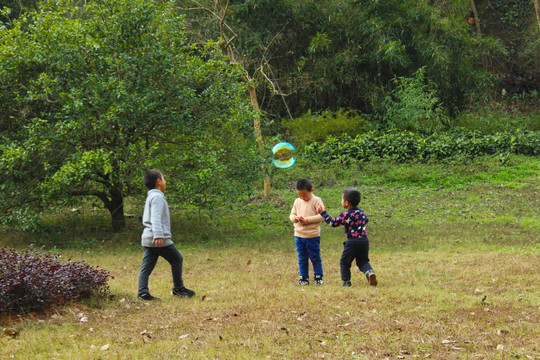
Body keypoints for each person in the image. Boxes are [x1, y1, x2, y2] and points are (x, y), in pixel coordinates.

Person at [137, 169, 195, 300]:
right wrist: (158, 234)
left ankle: (142, 293)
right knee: (177, 259)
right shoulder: (157, 197)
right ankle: (178, 289)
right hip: (158, 238)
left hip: (148, 238)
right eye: (164, 179)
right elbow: (155, 218)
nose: (165, 181)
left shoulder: (151, 196)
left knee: (146, 267)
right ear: (158, 182)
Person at [317, 189, 377, 287]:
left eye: (342, 199)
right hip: (364, 241)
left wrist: (324, 214)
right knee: (363, 261)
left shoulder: (346, 215)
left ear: (347, 203)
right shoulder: (361, 212)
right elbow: (366, 220)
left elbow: (333, 223)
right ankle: (369, 273)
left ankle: (346, 281)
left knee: (344, 261)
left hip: (352, 242)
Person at [289, 179, 325, 286]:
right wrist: (294, 218)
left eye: (304, 195)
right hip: (299, 235)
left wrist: (307, 220)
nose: (302, 198)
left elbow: (322, 216)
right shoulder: (297, 201)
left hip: (312, 235)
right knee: (302, 258)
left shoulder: (317, 200)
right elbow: (292, 214)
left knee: (315, 256)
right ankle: (303, 278)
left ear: (311, 190)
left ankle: (318, 276)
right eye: (299, 195)